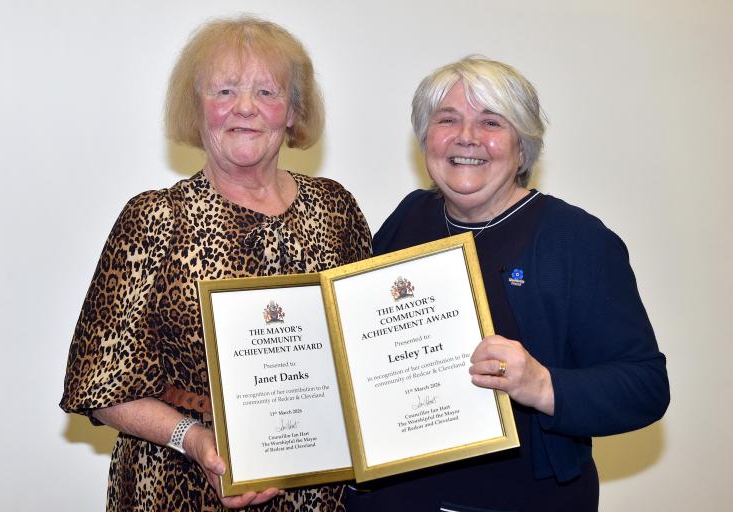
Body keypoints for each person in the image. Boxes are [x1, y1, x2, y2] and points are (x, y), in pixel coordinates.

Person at [60, 17, 371, 511]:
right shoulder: (156, 218)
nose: (244, 108)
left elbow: (368, 350)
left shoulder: (335, 209)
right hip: (181, 484)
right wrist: (194, 438)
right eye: (224, 90)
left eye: (267, 92)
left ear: (293, 111)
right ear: (197, 107)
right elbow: (98, 384)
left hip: (316, 486)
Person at [348, 56, 670, 511]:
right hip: (396, 498)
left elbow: (645, 387)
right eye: (447, 119)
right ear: (426, 137)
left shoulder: (577, 241)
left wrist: (541, 384)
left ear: (523, 148)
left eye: (491, 122)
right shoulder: (410, 217)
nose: (466, 137)